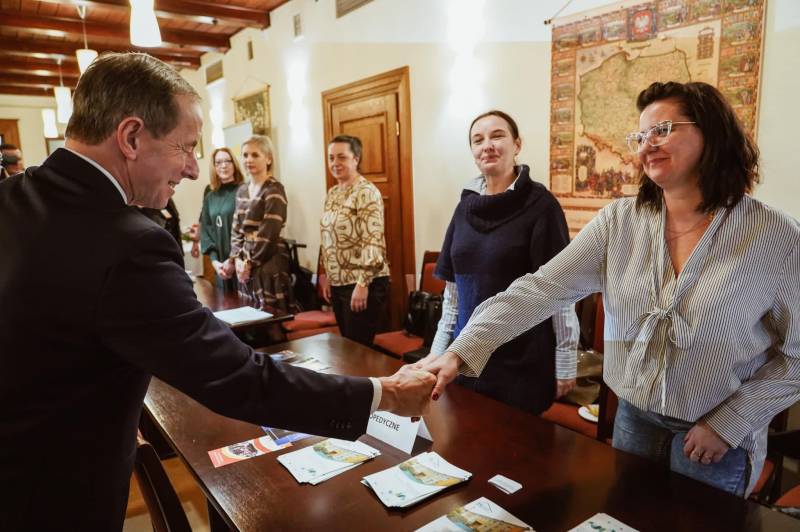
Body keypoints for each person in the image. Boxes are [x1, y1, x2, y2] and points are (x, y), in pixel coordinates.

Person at [0, 52, 435, 531]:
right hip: (50, 498)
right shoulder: (128, 243)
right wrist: (386, 394)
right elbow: (240, 380)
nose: (192, 169)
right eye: (186, 147)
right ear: (131, 137)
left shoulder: (12, 198)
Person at [415, 81, 800, 498]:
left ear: (712, 132)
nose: (647, 145)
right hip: (634, 418)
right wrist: (461, 349)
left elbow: (795, 354)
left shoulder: (774, 236)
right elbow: (541, 289)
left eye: (663, 130)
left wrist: (731, 422)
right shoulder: (619, 222)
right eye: (641, 136)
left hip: (717, 435)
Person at [429, 110, 579, 414]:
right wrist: (437, 354)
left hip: (521, 363)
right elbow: (453, 297)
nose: (487, 145)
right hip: (464, 359)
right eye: (478, 140)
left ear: (517, 145)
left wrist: (565, 359)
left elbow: (561, 292)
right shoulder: (464, 208)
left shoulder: (542, 206)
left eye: (497, 136)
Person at [319, 135, 391, 346]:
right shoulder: (333, 192)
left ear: (356, 158)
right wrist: (327, 276)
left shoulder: (366, 192)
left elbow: (373, 240)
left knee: (357, 350)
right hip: (339, 283)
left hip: (363, 282)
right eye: (331, 158)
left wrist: (362, 284)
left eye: (342, 157)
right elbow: (327, 236)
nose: (335, 163)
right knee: (346, 348)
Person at [229, 135, 294, 311]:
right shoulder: (241, 190)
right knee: (247, 312)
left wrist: (249, 263)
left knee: (271, 314)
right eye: (245, 155)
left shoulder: (274, 189)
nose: (249, 160)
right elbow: (236, 229)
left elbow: (269, 234)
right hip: (244, 260)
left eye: (255, 155)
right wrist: (237, 259)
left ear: (268, 158)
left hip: (269, 259)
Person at [200, 146, 245, 292]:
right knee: (225, 303)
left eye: (227, 161)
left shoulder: (244, 191)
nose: (223, 165)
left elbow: (248, 230)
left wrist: (233, 260)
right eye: (218, 162)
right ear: (214, 167)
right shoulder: (210, 197)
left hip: (242, 264)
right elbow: (206, 230)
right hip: (221, 268)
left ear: (234, 164)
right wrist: (215, 262)